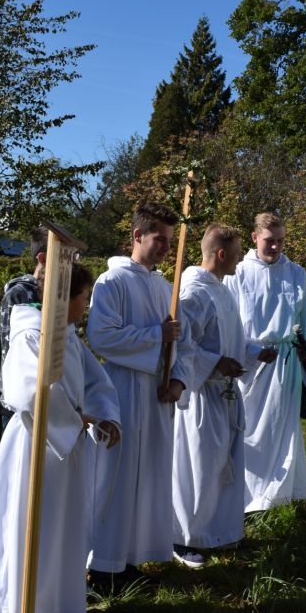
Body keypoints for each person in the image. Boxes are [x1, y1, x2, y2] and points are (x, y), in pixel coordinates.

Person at [0, 264, 121, 613]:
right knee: (29, 528)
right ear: (64, 299)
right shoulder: (31, 333)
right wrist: (74, 419)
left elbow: (94, 380)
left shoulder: (66, 334)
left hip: (64, 448)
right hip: (36, 444)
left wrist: (105, 414)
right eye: (84, 298)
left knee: (58, 530)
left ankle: (50, 608)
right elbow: (28, 393)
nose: (87, 306)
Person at [85, 202, 185, 591]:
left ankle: (129, 557)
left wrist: (178, 379)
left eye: (170, 241)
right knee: (118, 476)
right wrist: (155, 336)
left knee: (148, 478)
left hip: (157, 396)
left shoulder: (164, 287)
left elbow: (182, 342)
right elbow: (102, 337)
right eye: (160, 239)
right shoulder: (111, 282)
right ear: (137, 236)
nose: (166, 248)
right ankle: (104, 566)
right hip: (124, 390)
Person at [225, 213, 306, 513]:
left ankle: (278, 495)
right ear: (255, 238)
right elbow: (229, 322)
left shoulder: (296, 273)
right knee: (249, 428)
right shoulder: (237, 272)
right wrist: (243, 355)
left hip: (285, 361)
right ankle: (245, 497)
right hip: (250, 361)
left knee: (282, 426)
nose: (276, 247)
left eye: (280, 241)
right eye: (269, 241)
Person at [170, 225, 249, 569]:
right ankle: (182, 537)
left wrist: (252, 353)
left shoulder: (221, 289)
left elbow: (229, 339)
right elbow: (183, 345)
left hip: (224, 392)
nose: (240, 258)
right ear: (221, 254)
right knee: (197, 467)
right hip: (201, 393)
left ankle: (214, 531)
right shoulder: (194, 292)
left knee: (220, 465)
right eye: (237, 253)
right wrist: (216, 362)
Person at [0, 226, 48, 427]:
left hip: (53, 400)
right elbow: (12, 352)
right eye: (65, 257)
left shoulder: (62, 295)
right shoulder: (19, 294)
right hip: (19, 406)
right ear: (42, 258)